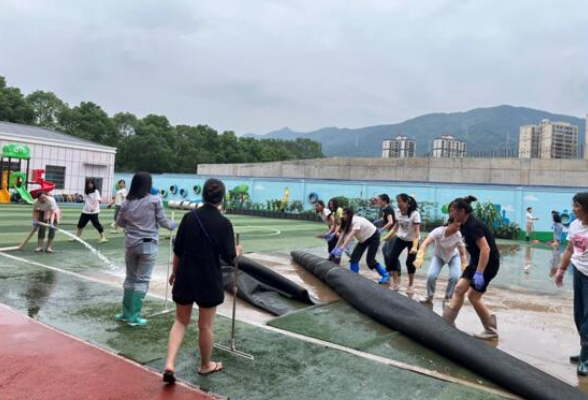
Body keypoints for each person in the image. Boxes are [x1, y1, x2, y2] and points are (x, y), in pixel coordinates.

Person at [164, 179, 242, 381]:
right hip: (208, 278)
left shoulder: (189, 218)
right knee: (205, 326)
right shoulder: (224, 223)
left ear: (204, 195)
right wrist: (237, 251)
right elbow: (229, 257)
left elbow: (178, 250)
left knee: (181, 321)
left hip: (185, 275)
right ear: (221, 198)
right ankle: (206, 365)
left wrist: (175, 272)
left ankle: (170, 364)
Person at [114, 172, 176, 326]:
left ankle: (125, 313)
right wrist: (172, 225)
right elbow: (164, 223)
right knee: (142, 280)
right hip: (148, 245)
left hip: (131, 243)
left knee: (130, 278)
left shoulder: (126, 202)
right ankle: (134, 317)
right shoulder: (155, 200)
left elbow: (119, 222)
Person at [443, 195, 500, 340]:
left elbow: (485, 249)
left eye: (452, 211)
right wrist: (466, 199)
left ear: (461, 211)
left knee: (473, 296)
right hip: (476, 261)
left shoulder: (473, 226)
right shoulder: (464, 222)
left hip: (487, 263)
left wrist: (480, 273)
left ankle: (491, 329)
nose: (450, 214)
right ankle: (445, 325)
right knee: (459, 289)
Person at [554, 192, 588, 376]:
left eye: (577, 206)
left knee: (587, 319)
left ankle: (585, 357)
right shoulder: (574, 225)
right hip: (579, 272)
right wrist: (561, 271)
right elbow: (569, 250)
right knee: (578, 315)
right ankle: (586, 349)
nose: (574, 209)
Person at [414, 218, 468, 305]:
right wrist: (420, 256)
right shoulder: (438, 231)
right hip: (438, 256)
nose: (457, 229)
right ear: (449, 223)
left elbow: (462, 253)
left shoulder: (458, 235)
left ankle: (448, 297)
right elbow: (425, 243)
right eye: (455, 226)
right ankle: (429, 296)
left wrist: (464, 266)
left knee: (455, 276)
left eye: (459, 227)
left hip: (453, 256)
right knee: (431, 275)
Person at [331, 208, 389, 283]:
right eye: (342, 214)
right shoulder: (347, 222)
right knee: (354, 258)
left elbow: (350, 236)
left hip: (373, 236)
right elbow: (342, 235)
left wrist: (342, 248)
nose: (342, 216)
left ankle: (386, 275)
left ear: (349, 215)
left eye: (344, 214)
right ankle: (355, 278)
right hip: (363, 239)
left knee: (370, 261)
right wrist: (335, 248)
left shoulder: (355, 221)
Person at [382, 194, 421, 294]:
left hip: (413, 240)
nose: (398, 204)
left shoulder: (415, 214)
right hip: (401, 239)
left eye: (400, 202)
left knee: (410, 263)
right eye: (397, 202)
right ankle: (396, 282)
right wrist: (388, 236)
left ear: (407, 203)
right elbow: (396, 226)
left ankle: (410, 285)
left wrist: (414, 247)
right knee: (391, 259)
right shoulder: (397, 212)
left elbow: (417, 232)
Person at [71, 178, 107, 243]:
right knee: (80, 225)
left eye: (91, 183)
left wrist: (93, 207)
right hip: (85, 211)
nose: (90, 185)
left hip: (94, 212)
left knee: (97, 224)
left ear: (93, 184)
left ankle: (103, 237)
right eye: (88, 183)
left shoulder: (96, 191)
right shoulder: (86, 192)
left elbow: (97, 200)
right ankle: (77, 237)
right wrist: (76, 198)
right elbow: (85, 201)